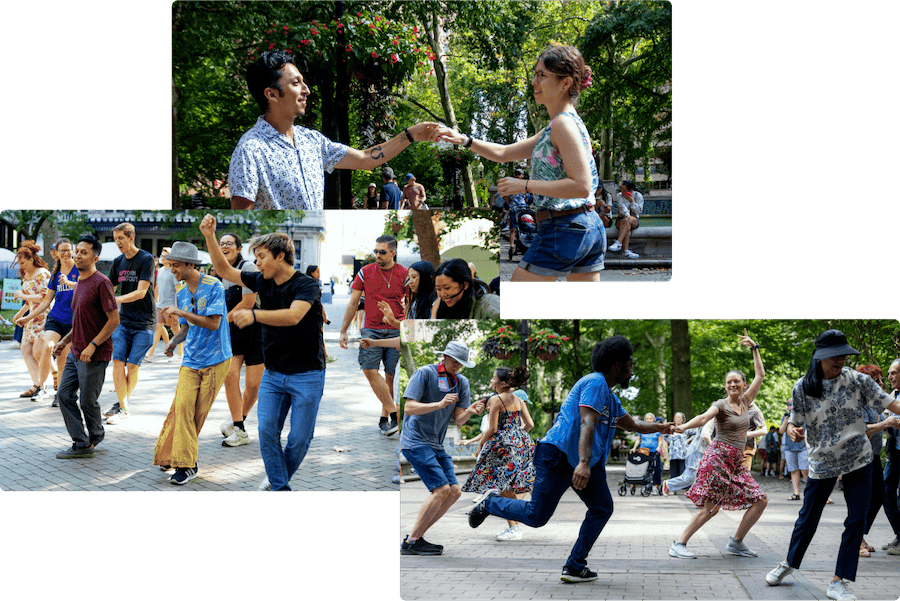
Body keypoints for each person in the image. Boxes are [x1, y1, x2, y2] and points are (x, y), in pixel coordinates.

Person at [468, 335, 672, 583]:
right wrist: (584, 464)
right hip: (559, 455)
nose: (632, 369)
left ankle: (575, 566)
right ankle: (490, 503)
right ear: (617, 365)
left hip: (584, 460)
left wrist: (663, 427)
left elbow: (633, 425)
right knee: (536, 517)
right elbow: (587, 421)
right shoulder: (595, 383)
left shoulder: (610, 396)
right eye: (630, 364)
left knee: (602, 508)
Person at [437, 45, 602, 282]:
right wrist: (464, 139)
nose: (534, 82)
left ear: (565, 83)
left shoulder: (563, 126)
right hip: (586, 226)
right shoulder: (558, 125)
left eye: (541, 75)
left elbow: (581, 186)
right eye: (535, 74)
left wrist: (524, 186)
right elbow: (504, 153)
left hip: (564, 227)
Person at [765, 331, 900, 601]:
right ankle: (789, 562)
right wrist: (792, 430)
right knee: (808, 517)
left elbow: (891, 404)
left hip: (858, 458)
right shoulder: (803, 386)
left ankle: (839, 581)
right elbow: (794, 421)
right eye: (834, 355)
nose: (840, 359)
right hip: (821, 461)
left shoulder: (859, 380)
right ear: (819, 357)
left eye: (843, 354)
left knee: (856, 519)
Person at [200, 214, 325, 492]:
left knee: (300, 440)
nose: (256, 263)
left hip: (307, 374)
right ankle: (280, 488)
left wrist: (254, 315)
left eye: (261, 256)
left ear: (280, 256)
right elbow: (224, 270)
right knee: (267, 432)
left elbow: (294, 316)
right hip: (275, 373)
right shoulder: (262, 280)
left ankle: (276, 478)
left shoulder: (306, 285)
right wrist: (209, 236)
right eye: (255, 258)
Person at [228, 50, 438, 210]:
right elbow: (241, 217)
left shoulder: (312, 140)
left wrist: (411, 135)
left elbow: (365, 159)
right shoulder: (250, 150)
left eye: (304, 82)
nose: (306, 90)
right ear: (271, 95)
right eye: (296, 83)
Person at [669, 330, 767, 560]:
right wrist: (683, 427)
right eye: (728, 382)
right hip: (717, 459)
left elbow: (760, 375)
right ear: (725, 386)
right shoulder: (721, 405)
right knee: (711, 509)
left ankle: (736, 542)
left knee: (760, 500)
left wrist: (755, 348)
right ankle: (679, 543)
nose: (733, 384)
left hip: (736, 461)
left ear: (743, 384)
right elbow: (704, 418)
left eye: (736, 381)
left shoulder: (747, 401)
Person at [152, 242, 232, 484]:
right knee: (183, 407)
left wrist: (182, 314)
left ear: (190, 264)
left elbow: (213, 323)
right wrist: (174, 341)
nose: (172, 270)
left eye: (176, 266)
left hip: (217, 358)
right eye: (170, 265)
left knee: (197, 413)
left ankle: (179, 459)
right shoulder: (182, 292)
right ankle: (187, 465)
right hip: (191, 359)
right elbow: (188, 328)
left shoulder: (214, 286)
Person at [400, 341, 485, 555]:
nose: (458, 366)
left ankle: (416, 537)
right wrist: (438, 404)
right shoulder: (424, 373)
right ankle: (411, 542)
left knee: (454, 492)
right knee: (441, 490)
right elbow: (409, 408)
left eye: (461, 363)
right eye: (455, 361)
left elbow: (459, 420)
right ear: (445, 357)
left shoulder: (461, 382)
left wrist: (470, 412)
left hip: (436, 444)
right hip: (415, 441)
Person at [52, 234, 119, 459]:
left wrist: (92, 345)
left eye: (83, 252)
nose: (77, 255)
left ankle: (96, 434)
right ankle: (81, 442)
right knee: (63, 394)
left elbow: (113, 321)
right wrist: (64, 341)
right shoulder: (79, 282)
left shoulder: (102, 283)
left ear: (95, 257)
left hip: (94, 353)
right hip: (75, 351)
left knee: (88, 401)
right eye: (77, 251)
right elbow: (80, 320)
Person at [339, 235, 406, 436]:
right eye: (375, 251)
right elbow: (353, 302)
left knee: (391, 376)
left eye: (382, 252)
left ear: (393, 252)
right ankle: (395, 414)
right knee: (369, 369)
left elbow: (411, 304)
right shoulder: (365, 272)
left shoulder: (404, 274)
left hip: (396, 329)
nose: (377, 255)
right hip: (371, 328)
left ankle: (384, 418)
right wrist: (343, 330)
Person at [462, 366, 535, 541]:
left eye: (493, 378)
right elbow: (529, 424)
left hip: (502, 448)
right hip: (519, 444)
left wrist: (481, 443)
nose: (491, 381)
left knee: (503, 487)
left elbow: (493, 428)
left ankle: (514, 528)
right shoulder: (518, 399)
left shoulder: (496, 400)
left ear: (502, 383)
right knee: (510, 486)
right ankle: (514, 523)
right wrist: (517, 437)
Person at [104, 222, 157, 425]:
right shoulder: (118, 262)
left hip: (145, 322)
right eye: (115, 238)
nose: (117, 242)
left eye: (121, 238)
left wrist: (115, 300)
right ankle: (123, 408)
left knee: (133, 367)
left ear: (131, 238)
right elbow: (108, 288)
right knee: (117, 362)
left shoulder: (145, 259)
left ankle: (121, 404)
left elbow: (141, 292)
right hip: (124, 321)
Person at [216, 233, 265, 448]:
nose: (225, 246)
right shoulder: (217, 272)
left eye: (229, 243)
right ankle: (239, 428)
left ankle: (238, 421)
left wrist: (223, 320)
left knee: (254, 385)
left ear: (238, 248)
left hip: (254, 330)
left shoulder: (248, 268)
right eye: (221, 244)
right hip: (231, 333)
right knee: (230, 376)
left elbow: (248, 301)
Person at [16, 238, 78, 405]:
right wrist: (26, 317)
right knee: (47, 346)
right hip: (55, 318)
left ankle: (60, 393)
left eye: (68, 250)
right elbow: (45, 301)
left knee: (63, 358)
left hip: (73, 321)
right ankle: (41, 387)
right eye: (62, 250)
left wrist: (71, 283)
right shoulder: (55, 273)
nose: (65, 253)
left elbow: (86, 289)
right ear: (56, 253)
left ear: (73, 251)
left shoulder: (79, 270)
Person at [855, 364, 900, 558]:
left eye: (886, 377)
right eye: (879, 380)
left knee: (879, 495)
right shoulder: (859, 401)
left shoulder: (878, 400)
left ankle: (860, 536)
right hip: (860, 456)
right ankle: (857, 539)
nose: (883, 383)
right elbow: (861, 429)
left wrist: (888, 426)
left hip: (873, 455)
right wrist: (887, 423)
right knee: (862, 498)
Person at [12, 241, 52, 401]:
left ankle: (44, 385)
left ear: (31, 260)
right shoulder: (27, 276)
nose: (21, 266)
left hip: (43, 316)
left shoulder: (43, 274)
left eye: (23, 263)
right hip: (31, 319)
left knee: (38, 352)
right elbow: (30, 302)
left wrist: (22, 296)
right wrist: (19, 314)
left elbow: (44, 298)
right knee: (25, 349)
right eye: (19, 263)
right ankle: (36, 384)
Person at [431, 258, 501, 319]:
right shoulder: (441, 307)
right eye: (438, 289)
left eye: (447, 288)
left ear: (465, 285)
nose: (442, 294)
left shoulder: (491, 305)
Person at [662, 419, 715, 496]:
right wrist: (713, 447)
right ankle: (668, 484)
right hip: (696, 451)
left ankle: (699, 496)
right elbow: (705, 434)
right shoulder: (712, 420)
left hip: (702, 452)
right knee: (689, 477)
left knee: (703, 475)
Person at [884, 358, 900, 555]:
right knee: (886, 492)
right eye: (889, 373)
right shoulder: (892, 395)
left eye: (894, 372)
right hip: (894, 452)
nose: (890, 377)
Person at [631, 412, 668, 494]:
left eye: (650, 418)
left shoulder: (657, 429)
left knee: (657, 469)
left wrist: (658, 447)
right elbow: (638, 439)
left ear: (653, 420)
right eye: (647, 418)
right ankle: (645, 484)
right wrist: (634, 447)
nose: (649, 420)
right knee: (644, 469)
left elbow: (660, 441)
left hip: (654, 451)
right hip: (644, 452)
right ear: (645, 420)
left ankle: (655, 486)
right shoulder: (642, 429)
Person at [607, 180, 644, 259]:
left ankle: (618, 242)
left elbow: (638, 211)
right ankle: (625, 251)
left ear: (630, 190)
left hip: (634, 219)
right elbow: (622, 208)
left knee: (628, 221)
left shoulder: (638, 196)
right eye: (621, 189)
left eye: (624, 190)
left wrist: (632, 202)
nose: (622, 192)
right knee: (627, 223)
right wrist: (627, 216)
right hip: (621, 219)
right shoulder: (619, 196)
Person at [779, 410, 809, 501]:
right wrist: (785, 421)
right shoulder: (786, 417)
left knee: (805, 470)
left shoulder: (804, 415)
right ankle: (796, 493)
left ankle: (811, 492)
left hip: (803, 447)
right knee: (793, 470)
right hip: (790, 448)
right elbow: (781, 431)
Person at [665, 412, 689, 481]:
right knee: (673, 473)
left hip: (683, 453)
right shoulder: (671, 428)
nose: (677, 419)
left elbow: (695, 434)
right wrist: (669, 441)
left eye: (679, 417)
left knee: (683, 472)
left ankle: (685, 489)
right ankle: (673, 489)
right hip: (673, 453)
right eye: (676, 417)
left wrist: (689, 440)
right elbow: (665, 436)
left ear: (683, 419)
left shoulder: (685, 427)